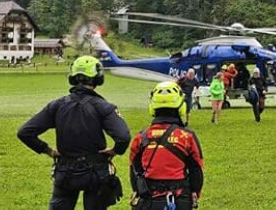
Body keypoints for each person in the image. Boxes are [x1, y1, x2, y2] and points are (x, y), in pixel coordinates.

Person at [18, 55, 131, 210]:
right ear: (97, 77)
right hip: (96, 172)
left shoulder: (57, 105)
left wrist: (48, 150)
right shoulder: (104, 107)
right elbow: (123, 136)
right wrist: (114, 151)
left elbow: (25, 132)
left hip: (65, 171)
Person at [129, 81, 204, 209]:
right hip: (179, 198)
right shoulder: (187, 136)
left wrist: (138, 190)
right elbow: (197, 169)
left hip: (149, 199)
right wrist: (194, 193)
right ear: (181, 105)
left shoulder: (141, 137)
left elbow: (134, 169)